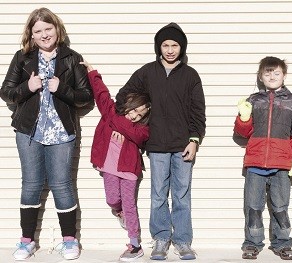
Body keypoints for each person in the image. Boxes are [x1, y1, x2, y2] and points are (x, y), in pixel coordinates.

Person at [0, 7, 93, 261]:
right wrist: (27, 87)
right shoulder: (22, 58)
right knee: (30, 185)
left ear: (57, 29)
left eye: (48, 29)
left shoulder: (72, 59)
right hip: (29, 132)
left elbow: (86, 97)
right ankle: (26, 241)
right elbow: (6, 92)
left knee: (63, 185)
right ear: (31, 34)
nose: (44, 34)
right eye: (38, 30)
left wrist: (62, 88)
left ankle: (69, 241)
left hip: (62, 133)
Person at [116, 22, 206, 260]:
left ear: (181, 47)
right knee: (158, 194)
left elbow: (198, 112)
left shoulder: (190, 75)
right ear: (158, 47)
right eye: (165, 45)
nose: (169, 50)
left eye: (174, 45)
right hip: (155, 146)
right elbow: (123, 96)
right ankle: (161, 238)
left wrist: (194, 140)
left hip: (182, 145)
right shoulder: (147, 72)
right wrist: (128, 124)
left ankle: (183, 241)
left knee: (181, 194)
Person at [81, 60, 151, 261]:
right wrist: (93, 73)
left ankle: (135, 244)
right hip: (109, 167)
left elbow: (139, 136)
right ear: (127, 105)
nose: (135, 116)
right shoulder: (111, 113)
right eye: (134, 110)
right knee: (112, 199)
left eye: (140, 114)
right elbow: (102, 95)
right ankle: (119, 213)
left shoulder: (141, 129)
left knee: (130, 204)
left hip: (129, 170)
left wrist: (118, 125)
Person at [234, 56, 292, 261]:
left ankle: (282, 243)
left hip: (281, 164)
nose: (272, 76)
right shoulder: (253, 100)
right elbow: (243, 133)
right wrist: (243, 117)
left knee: (280, 207)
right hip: (255, 163)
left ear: (284, 75)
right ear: (261, 77)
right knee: (253, 206)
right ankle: (252, 243)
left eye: (276, 72)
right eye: (267, 73)